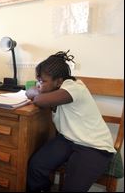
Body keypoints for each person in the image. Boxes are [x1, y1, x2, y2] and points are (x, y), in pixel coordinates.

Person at [26, 50, 116, 192]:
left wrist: (34, 92)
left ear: (59, 81)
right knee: (36, 165)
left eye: (42, 81)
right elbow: (32, 93)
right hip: (68, 139)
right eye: (38, 80)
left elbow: (39, 100)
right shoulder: (54, 89)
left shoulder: (74, 87)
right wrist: (37, 90)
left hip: (94, 146)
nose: (38, 85)